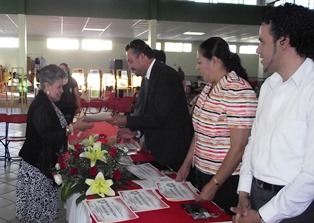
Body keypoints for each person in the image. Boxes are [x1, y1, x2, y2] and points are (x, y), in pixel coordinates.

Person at [231, 3, 314, 223]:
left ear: (284, 41)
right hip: (257, 196)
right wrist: (244, 191)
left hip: (296, 207)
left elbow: (311, 175)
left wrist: (263, 217)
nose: (258, 49)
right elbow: (254, 142)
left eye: (261, 41)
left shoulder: (311, 88)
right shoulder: (269, 86)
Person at [176, 37, 257, 216]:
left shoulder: (239, 92)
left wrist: (214, 184)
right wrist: (187, 163)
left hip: (226, 180)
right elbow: (199, 132)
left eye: (199, 62)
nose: (197, 67)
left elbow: (239, 147)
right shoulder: (208, 89)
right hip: (202, 172)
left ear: (214, 60)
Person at [16, 64, 93, 222]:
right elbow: (48, 136)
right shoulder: (40, 106)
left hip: (45, 165)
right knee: (38, 214)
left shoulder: (49, 102)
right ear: (46, 86)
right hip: (37, 167)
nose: (62, 91)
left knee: (46, 212)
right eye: (59, 87)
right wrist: (72, 128)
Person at [106, 39, 194, 173]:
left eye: (130, 61)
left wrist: (126, 120)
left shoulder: (165, 76)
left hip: (172, 148)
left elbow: (159, 116)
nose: (130, 67)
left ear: (142, 56)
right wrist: (136, 131)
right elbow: (148, 112)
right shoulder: (149, 76)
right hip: (159, 146)